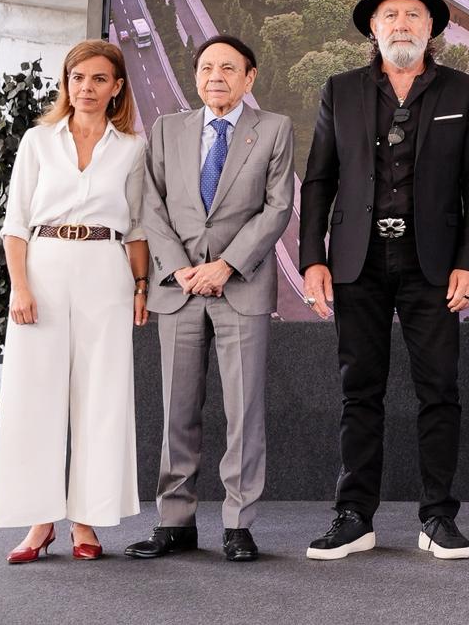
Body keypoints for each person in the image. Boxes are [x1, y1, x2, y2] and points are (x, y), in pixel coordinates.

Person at [299, 0, 469, 561]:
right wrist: (312, 258)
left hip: (431, 265)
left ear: (430, 28)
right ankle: (354, 516)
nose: (402, 24)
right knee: (360, 392)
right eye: (390, 16)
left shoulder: (462, 91)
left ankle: (437, 518)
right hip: (358, 261)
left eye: (413, 16)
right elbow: (320, 180)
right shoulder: (342, 89)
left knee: (439, 392)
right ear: (373, 29)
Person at [124, 35, 295, 564]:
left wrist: (225, 266)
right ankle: (174, 522)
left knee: (244, 412)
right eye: (205, 67)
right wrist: (179, 267)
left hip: (238, 286)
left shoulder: (273, 129)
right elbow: (147, 203)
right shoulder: (167, 129)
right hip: (177, 290)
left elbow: (277, 207)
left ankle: (238, 524)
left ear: (250, 77)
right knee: (177, 410)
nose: (214, 76)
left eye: (227, 68)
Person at [0, 39, 150, 563]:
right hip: (43, 268)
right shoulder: (38, 142)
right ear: (67, 83)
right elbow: (16, 223)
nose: (87, 87)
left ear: (117, 87)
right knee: (35, 396)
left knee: (100, 397)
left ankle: (85, 520)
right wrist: (20, 286)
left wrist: (141, 286)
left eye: (99, 79)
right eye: (78, 77)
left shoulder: (130, 148)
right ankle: (41, 522)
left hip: (106, 273)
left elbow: (137, 227)